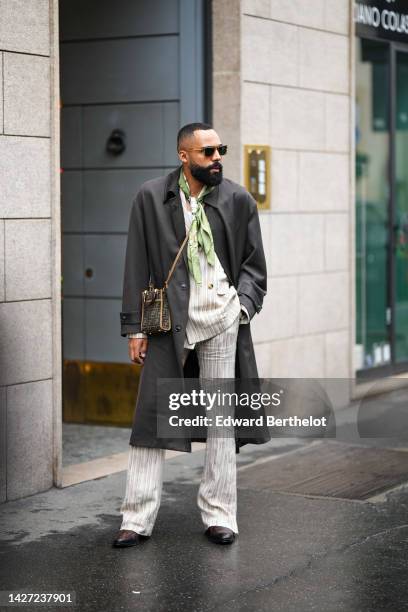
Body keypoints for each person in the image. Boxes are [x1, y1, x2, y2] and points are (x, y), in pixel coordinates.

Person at [113, 122, 268, 547]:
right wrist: (134, 327)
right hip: (169, 322)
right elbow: (137, 262)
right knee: (152, 419)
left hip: (221, 318)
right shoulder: (151, 196)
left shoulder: (237, 199)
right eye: (208, 152)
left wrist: (242, 309)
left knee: (220, 419)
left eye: (221, 150)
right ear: (184, 156)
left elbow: (255, 266)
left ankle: (221, 514)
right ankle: (136, 517)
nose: (217, 158)